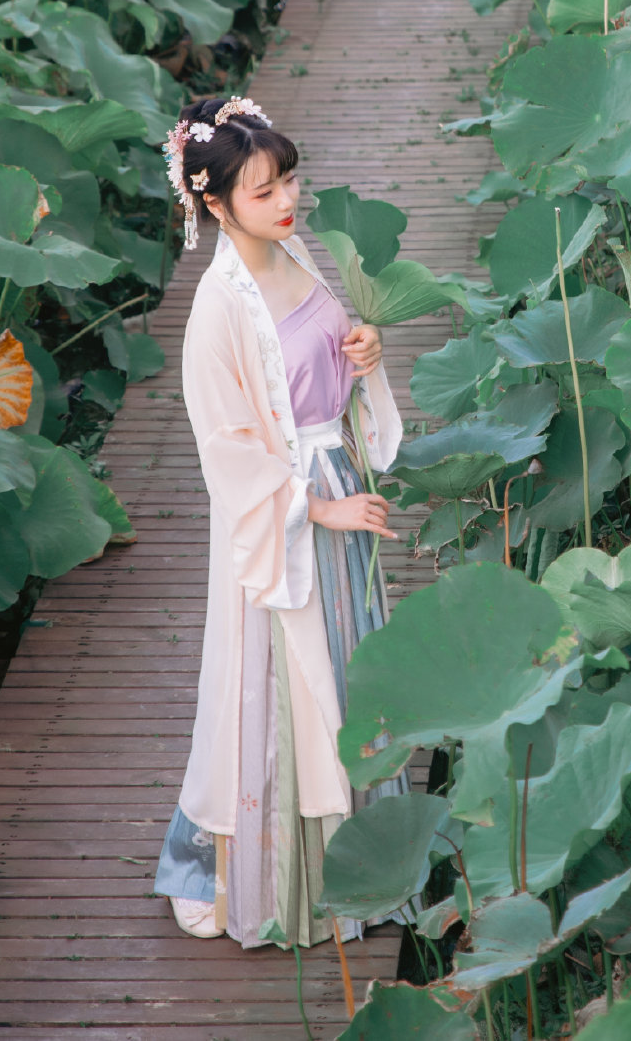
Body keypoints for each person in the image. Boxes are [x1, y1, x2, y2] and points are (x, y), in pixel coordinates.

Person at [152, 94, 405, 947]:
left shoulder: (294, 253)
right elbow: (226, 447)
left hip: (336, 484)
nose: (287, 200)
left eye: (289, 180)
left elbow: (320, 369)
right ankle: (282, 885)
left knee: (350, 663)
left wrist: (362, 350)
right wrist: (318, 507)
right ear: (216, 204)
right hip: (287, 516)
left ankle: (371, 865)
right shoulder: (218, 308)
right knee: (280, 685)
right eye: (263, 192)